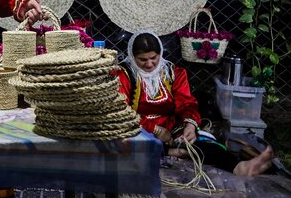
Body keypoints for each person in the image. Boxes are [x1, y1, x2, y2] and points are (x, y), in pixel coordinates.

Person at [113, 30, 274, 177]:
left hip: (171, 126)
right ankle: (173, 151)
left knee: (203, 142)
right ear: (132, 56)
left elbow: (186, 103)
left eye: (153, 58)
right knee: (123, 144)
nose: (149, 64)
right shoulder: (124, 75)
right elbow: (122, 110)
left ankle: (239, 167)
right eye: (142, 59)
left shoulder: (174, 73)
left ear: (160, 54)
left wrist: (189, 125)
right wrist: (154, 129)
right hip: (138, 127)